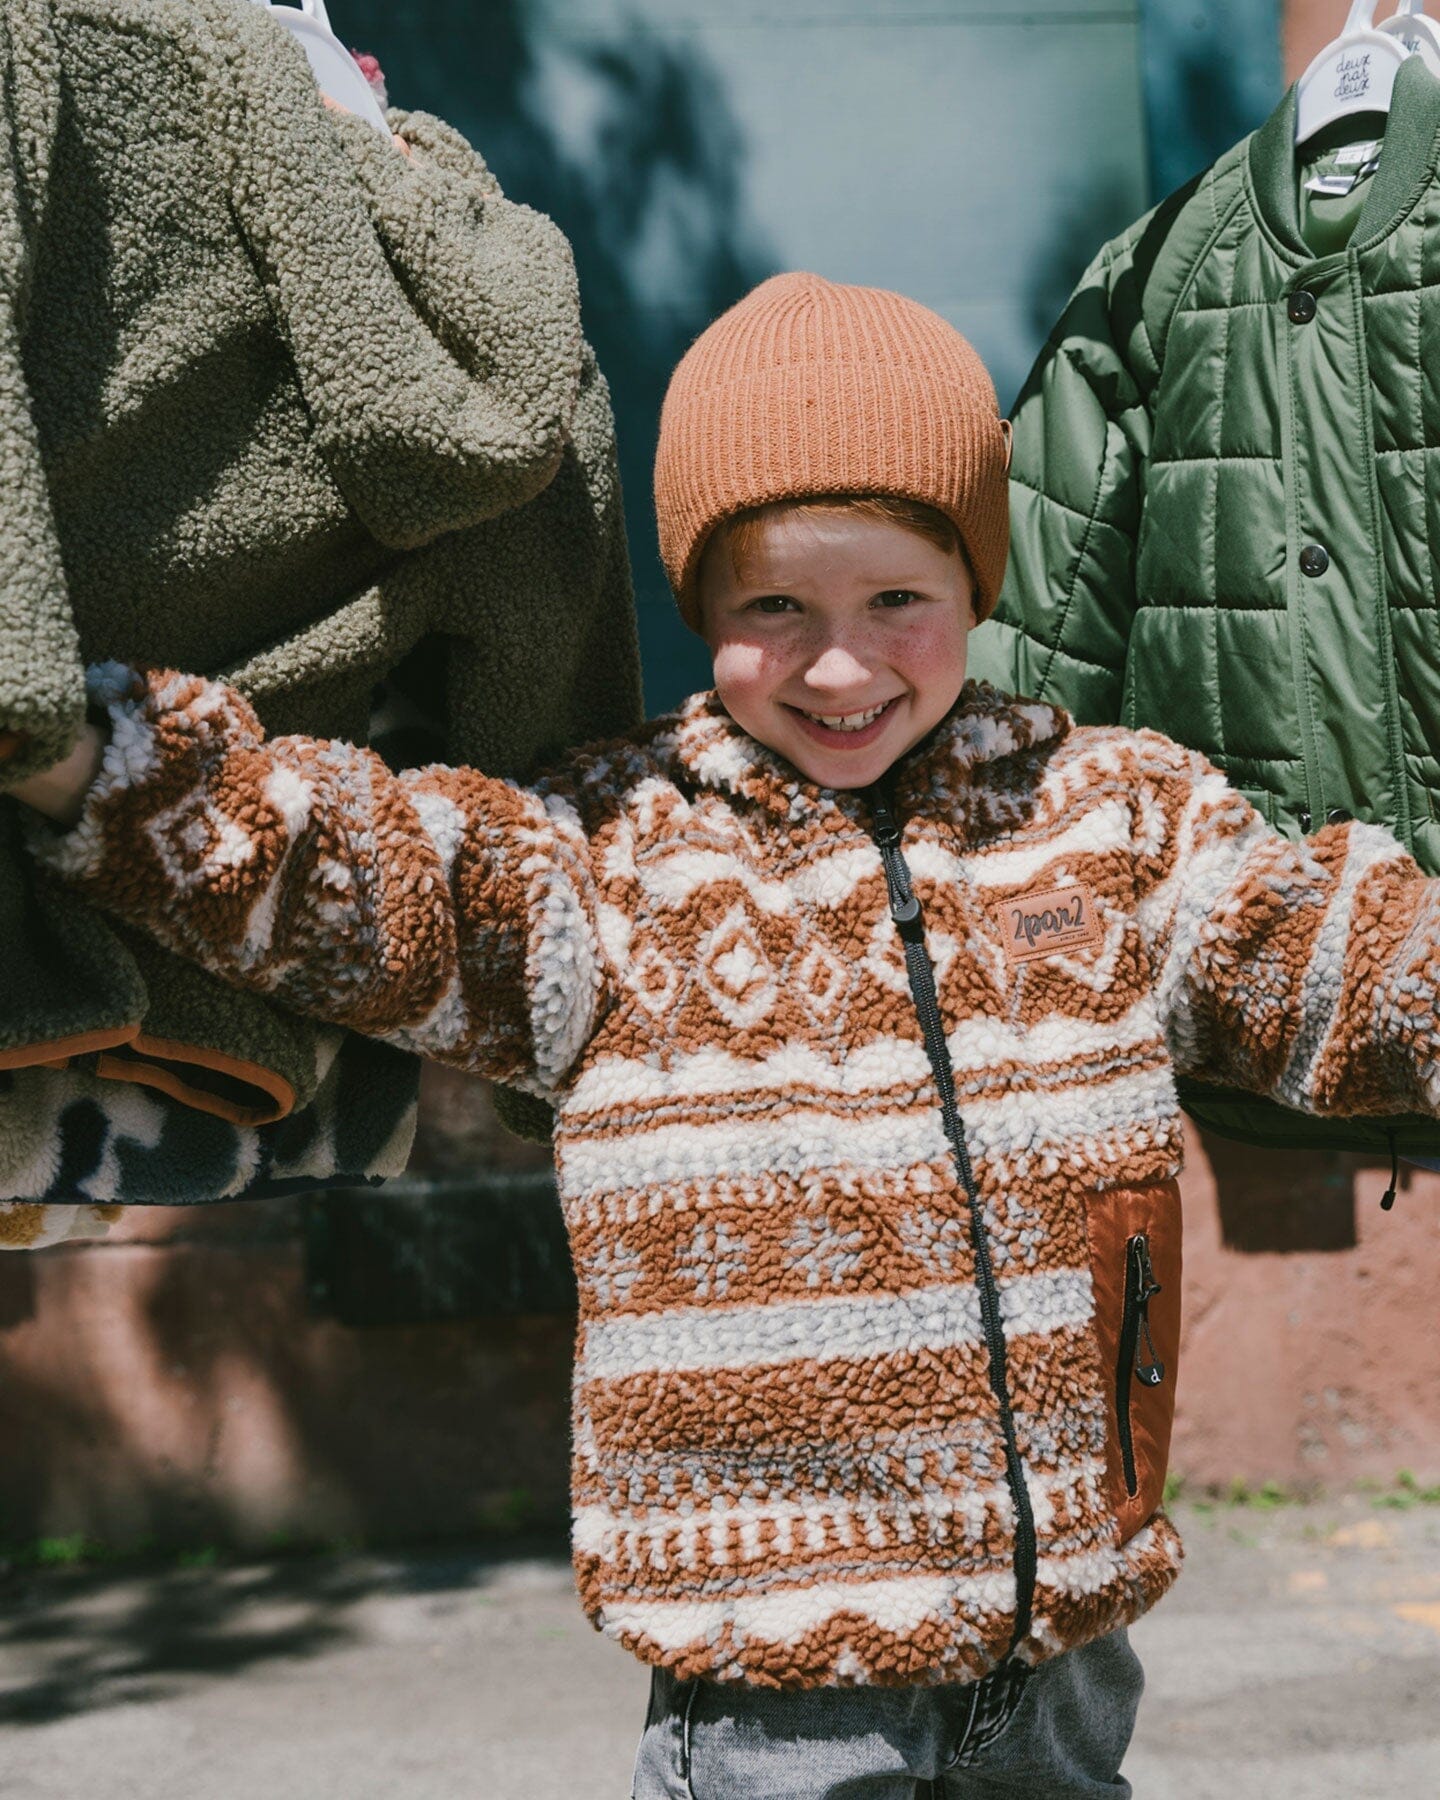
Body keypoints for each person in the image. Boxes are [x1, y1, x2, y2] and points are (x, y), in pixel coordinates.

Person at [14, 272, 1440, 1798]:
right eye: (777, 608)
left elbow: (1331, 952)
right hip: (775, 1672)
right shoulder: (616, 857)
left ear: (978, 584)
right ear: (701, 606)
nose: (841, 666)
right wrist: (89, 760)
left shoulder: (1111, 821)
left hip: (1064, 1653)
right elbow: (362, 874)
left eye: (899, 598)